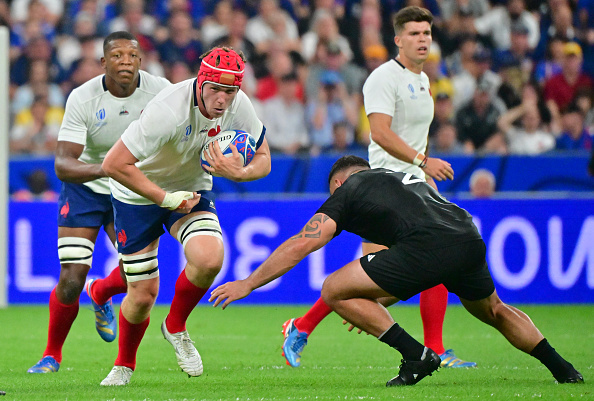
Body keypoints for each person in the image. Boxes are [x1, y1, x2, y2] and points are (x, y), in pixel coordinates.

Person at [210, 155, 584, 387]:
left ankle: (416, 355)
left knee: (333, 288)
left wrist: (248, 283)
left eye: (333, 191)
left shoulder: (350, 188)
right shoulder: (403, 180)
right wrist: (371, 304)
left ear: (340, 183)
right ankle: (564, 369)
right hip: (466, 235)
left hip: (427, 245)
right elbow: (409, 270)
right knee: (495, 311)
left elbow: (303, 243)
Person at [278, 6, 474, 371]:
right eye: (414, 34)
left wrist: (424, 171)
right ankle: (301, 325)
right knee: (375, 280)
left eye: (426, 34)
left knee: (429, 264)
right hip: (386, 184)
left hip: (415, 182)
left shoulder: (423, 80)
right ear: (398, 39)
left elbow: (417, 134)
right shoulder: (383, 78)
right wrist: (421, 161)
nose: (422, 40)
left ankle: (435, 348)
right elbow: (379, 133)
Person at [99, 46, 271, 386]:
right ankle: (124, 365)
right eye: (216, 90)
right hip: (137, 194)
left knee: (209, 258)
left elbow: (264, 157)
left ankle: (175, 326)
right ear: (201, 80)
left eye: (231, 91)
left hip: (191, 188)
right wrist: (165, 198)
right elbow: (113, 165)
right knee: (143, 295)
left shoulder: (239, 106)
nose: (223, 100)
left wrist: (240, 174)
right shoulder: (168, 110)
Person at [27, 31, 171, 374]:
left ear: (141, 61)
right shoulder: (83, 97)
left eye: (132, 56)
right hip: (87, 188)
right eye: (118, 56)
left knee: (137, 279)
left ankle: (102, 291)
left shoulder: (161, 92)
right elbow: (63, 163)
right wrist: (107, 169)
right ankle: (51, 355)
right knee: (72, 277)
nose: (126, 62)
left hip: (133, 189)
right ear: (104, 62)